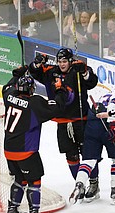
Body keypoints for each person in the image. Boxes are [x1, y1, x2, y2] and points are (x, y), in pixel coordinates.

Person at [2, 72, 69, 213]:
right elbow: (57, 108)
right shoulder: (35, 103)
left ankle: (12, 210)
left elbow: (6, 87)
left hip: (8, 150)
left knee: (20, 179)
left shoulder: (9, 95)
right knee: (35, 180)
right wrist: (60, 90)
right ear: (31, 89)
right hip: (26, 152)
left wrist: (17, 74)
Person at [28, 48, 99, 183]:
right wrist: (36, 63)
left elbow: (92, 82)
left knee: (88, 153)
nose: (62, 64)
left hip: (81, 120)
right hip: (62, 121)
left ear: (70, 61)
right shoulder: (51, 72)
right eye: (59, 61)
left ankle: (94, 182)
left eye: (65, 61)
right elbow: (34, 72)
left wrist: (84, 72)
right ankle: (79, 183)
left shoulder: (78, 70)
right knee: (71, 155)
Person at [69, 80, 115, 205]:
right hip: (107, 124)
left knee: (89, 160)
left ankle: (80, 184)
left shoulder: (106, 95)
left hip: (92, 124)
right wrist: (114, 128)